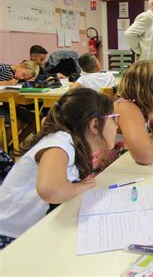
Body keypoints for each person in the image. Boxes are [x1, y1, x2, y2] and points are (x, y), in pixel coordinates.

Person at [0, 88, 118, 249]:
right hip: (10, 240)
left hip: (31, 232)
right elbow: (50, 190)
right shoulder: (60, 142)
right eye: (114, 119)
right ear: (95, 125)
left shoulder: (71, 144)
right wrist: (77, 187)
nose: (117, 125)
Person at [115, 60, 153, 165]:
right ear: (143, 90)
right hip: (99, 174)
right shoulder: (127, 108)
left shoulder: (147, 110)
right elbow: (145, 157)